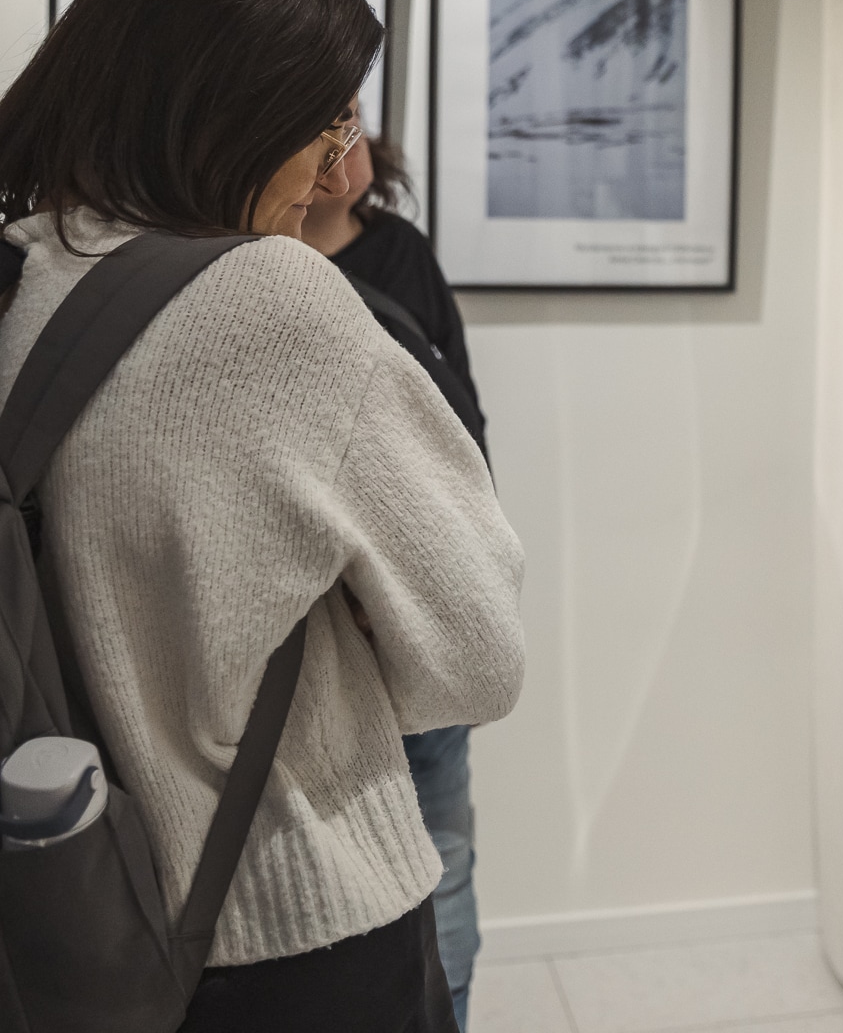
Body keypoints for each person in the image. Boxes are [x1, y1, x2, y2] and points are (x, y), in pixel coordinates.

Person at [0, 0, 524, 1033]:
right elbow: (480, 657)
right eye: (323, 129)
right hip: (290, 929)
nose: (335, 175)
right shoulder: (271, 297)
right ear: (233, 112)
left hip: (58, 912)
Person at [299, 111, 486, 1028]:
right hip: (311, 643)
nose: (347, 156)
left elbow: (464, 437)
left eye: (355, 125)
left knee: (443, 859)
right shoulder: (245, 276)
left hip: (412, 621)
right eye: (326, 133)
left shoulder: (400, 255)